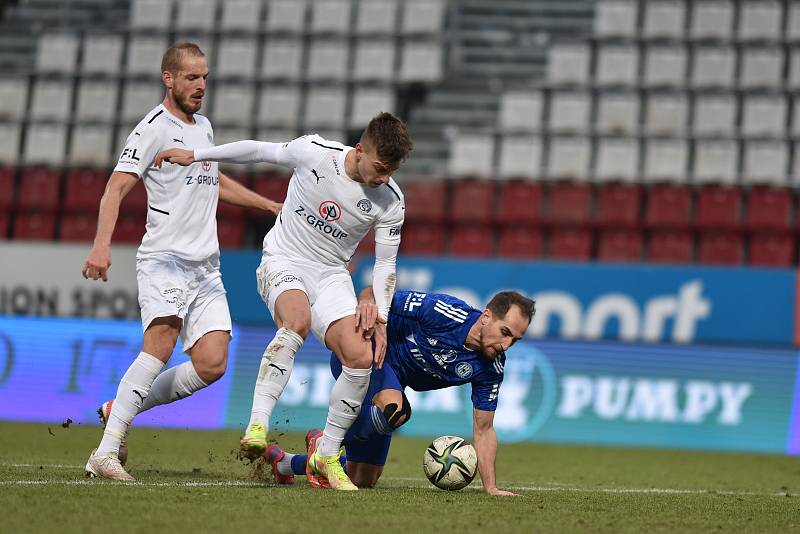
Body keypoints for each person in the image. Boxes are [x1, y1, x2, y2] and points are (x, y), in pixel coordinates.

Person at [154, 113, 413, 490]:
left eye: (391, 171)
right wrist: (196, 154)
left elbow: (386, 264)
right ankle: (258, 423)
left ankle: (325, 455)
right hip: (284, 259)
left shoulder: (390, 201)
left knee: (359, 354)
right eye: (379, 168)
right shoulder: (315, 153)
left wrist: (384, 320)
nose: (384, 178)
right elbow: (258, 150)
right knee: (296, 321)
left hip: (330, 275)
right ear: (359, 151)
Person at [83, 42, 281, 481]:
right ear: (168, 78)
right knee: (160, 345)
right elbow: (115, 189)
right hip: (165, 259)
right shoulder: (152, 128)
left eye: (205, 77)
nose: (201, 86)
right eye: (192, 77)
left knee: (213, 363)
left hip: (206, 266)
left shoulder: (204, 128)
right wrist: (101, 245)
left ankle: (122, 407)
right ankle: (105, 451)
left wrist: (266, 205)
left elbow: (213, 181)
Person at [265, 288, 535, 497]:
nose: (507, 344)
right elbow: (372, 293)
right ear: (487, 316)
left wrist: (491, 487)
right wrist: (366, 310)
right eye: (505, 332)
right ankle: (325, 443)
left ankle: (286, 464)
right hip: (365, 357)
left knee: (362, 479)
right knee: (397, 410)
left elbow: (484, 429)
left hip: (393, 382)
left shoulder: (491, 367)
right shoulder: (443, 312)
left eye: (515, 339)